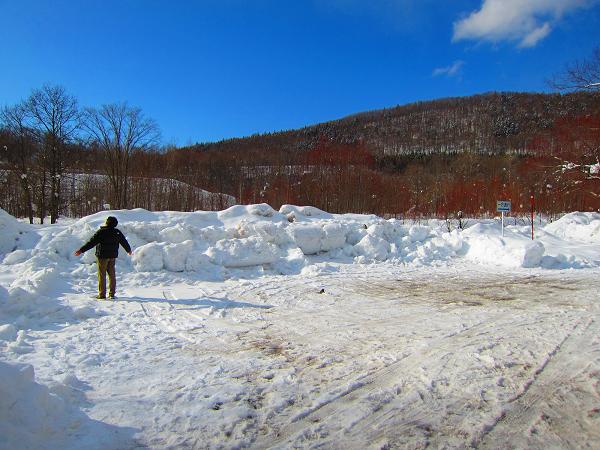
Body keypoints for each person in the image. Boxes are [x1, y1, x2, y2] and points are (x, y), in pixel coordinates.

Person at [74, 216, 132, 300]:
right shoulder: (117, 232)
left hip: (102, 256)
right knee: (112, 275)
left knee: (102, 275)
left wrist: (81, 250)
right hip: (112, 256)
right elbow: (124, 241)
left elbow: (91, 242)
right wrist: (128, 250)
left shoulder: (101, 232)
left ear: (107, 223)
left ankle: (102, 295)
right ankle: (112, 294)